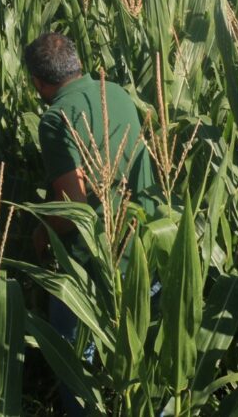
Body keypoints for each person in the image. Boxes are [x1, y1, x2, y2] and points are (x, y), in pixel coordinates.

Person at [24, 32, 157, 416]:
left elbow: (72, 209)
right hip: (145, 243)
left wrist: (42, 231)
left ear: (38, 81)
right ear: (77, 63)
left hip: (93, 260)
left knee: (74, 360)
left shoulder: (54, 119)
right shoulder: (116, 91)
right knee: (149, 357)